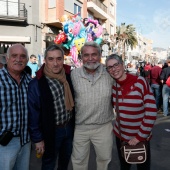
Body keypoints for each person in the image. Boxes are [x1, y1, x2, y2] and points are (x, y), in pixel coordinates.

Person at [105, 54, 157, 170]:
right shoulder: (113, 86)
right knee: (124, 167)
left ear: (123, 65)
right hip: (121, 138)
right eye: (110, 67)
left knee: (143, 167)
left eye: (116, 65)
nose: (114, 69)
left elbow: (151, 112)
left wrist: (139, 137)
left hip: (140, 138)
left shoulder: (140, 82)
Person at [28, 44, 75, 170]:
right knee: (49, 163)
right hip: (51, 131)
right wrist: (38, 139)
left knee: (64, 162)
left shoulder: (68, 76)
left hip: (68, 127)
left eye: (59, 59)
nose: (55, 63)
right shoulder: (37, 83)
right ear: (45, 60)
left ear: (63, 60)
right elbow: (33, 114)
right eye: (51, 59)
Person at [71, 42, 114, 170]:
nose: (90, 58)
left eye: (94, 54)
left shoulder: (110, 74)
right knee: (79, 162)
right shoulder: (74, 75)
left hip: (104, 127)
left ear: (100, 55)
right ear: (81, 57)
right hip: (80, 127)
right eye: (86, 55)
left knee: (104, 160)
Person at [0, 44, 32, 170]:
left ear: (27, 60)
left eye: (22, 56)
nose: (18, 59)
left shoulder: (29, 81)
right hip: (4, 143)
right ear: (7, 58)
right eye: (14, 56)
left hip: (26, 141)